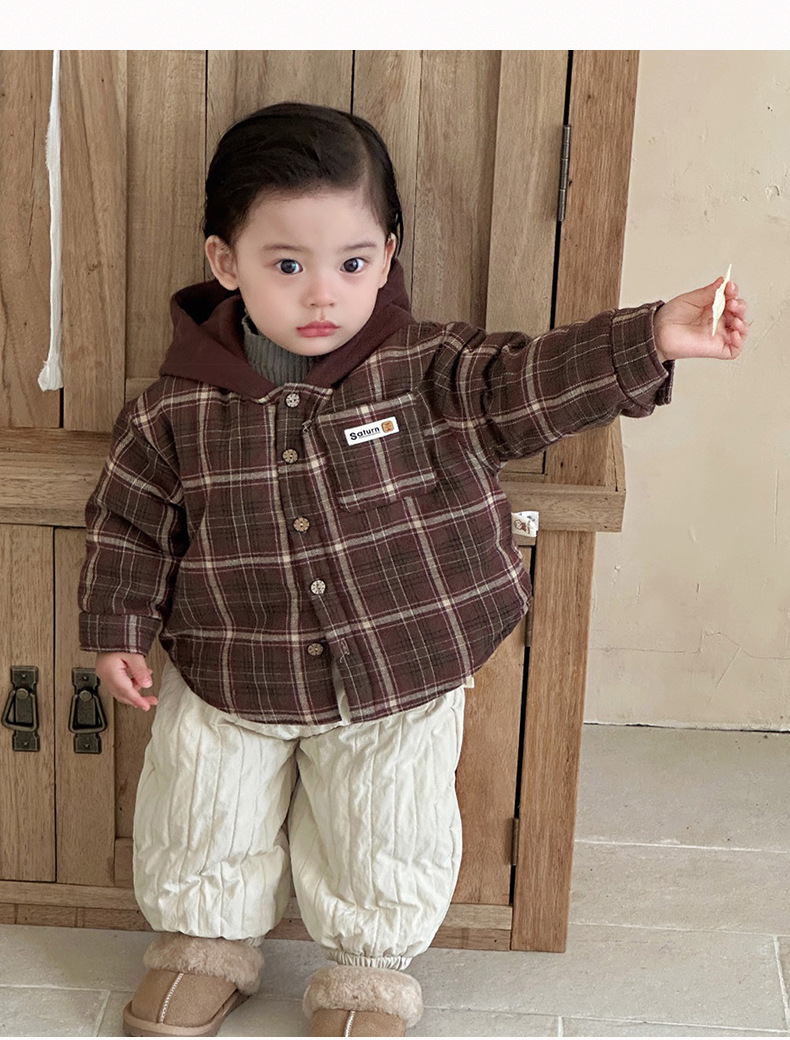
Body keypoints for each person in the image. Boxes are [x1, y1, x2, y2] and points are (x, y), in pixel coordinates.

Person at [77, 101, 748, 1038]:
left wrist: (650, 337)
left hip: (398, 671)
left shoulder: (432, 371)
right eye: (287, 266)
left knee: (386, 822)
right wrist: (116, 631)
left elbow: (534, 381)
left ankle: (367, 969)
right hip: (231, 667)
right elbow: (128, 524)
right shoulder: (174, 411)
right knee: (199, 805)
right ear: (226, 263)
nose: (323, 295)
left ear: (388, 255)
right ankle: (203, 945)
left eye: (352, 264)